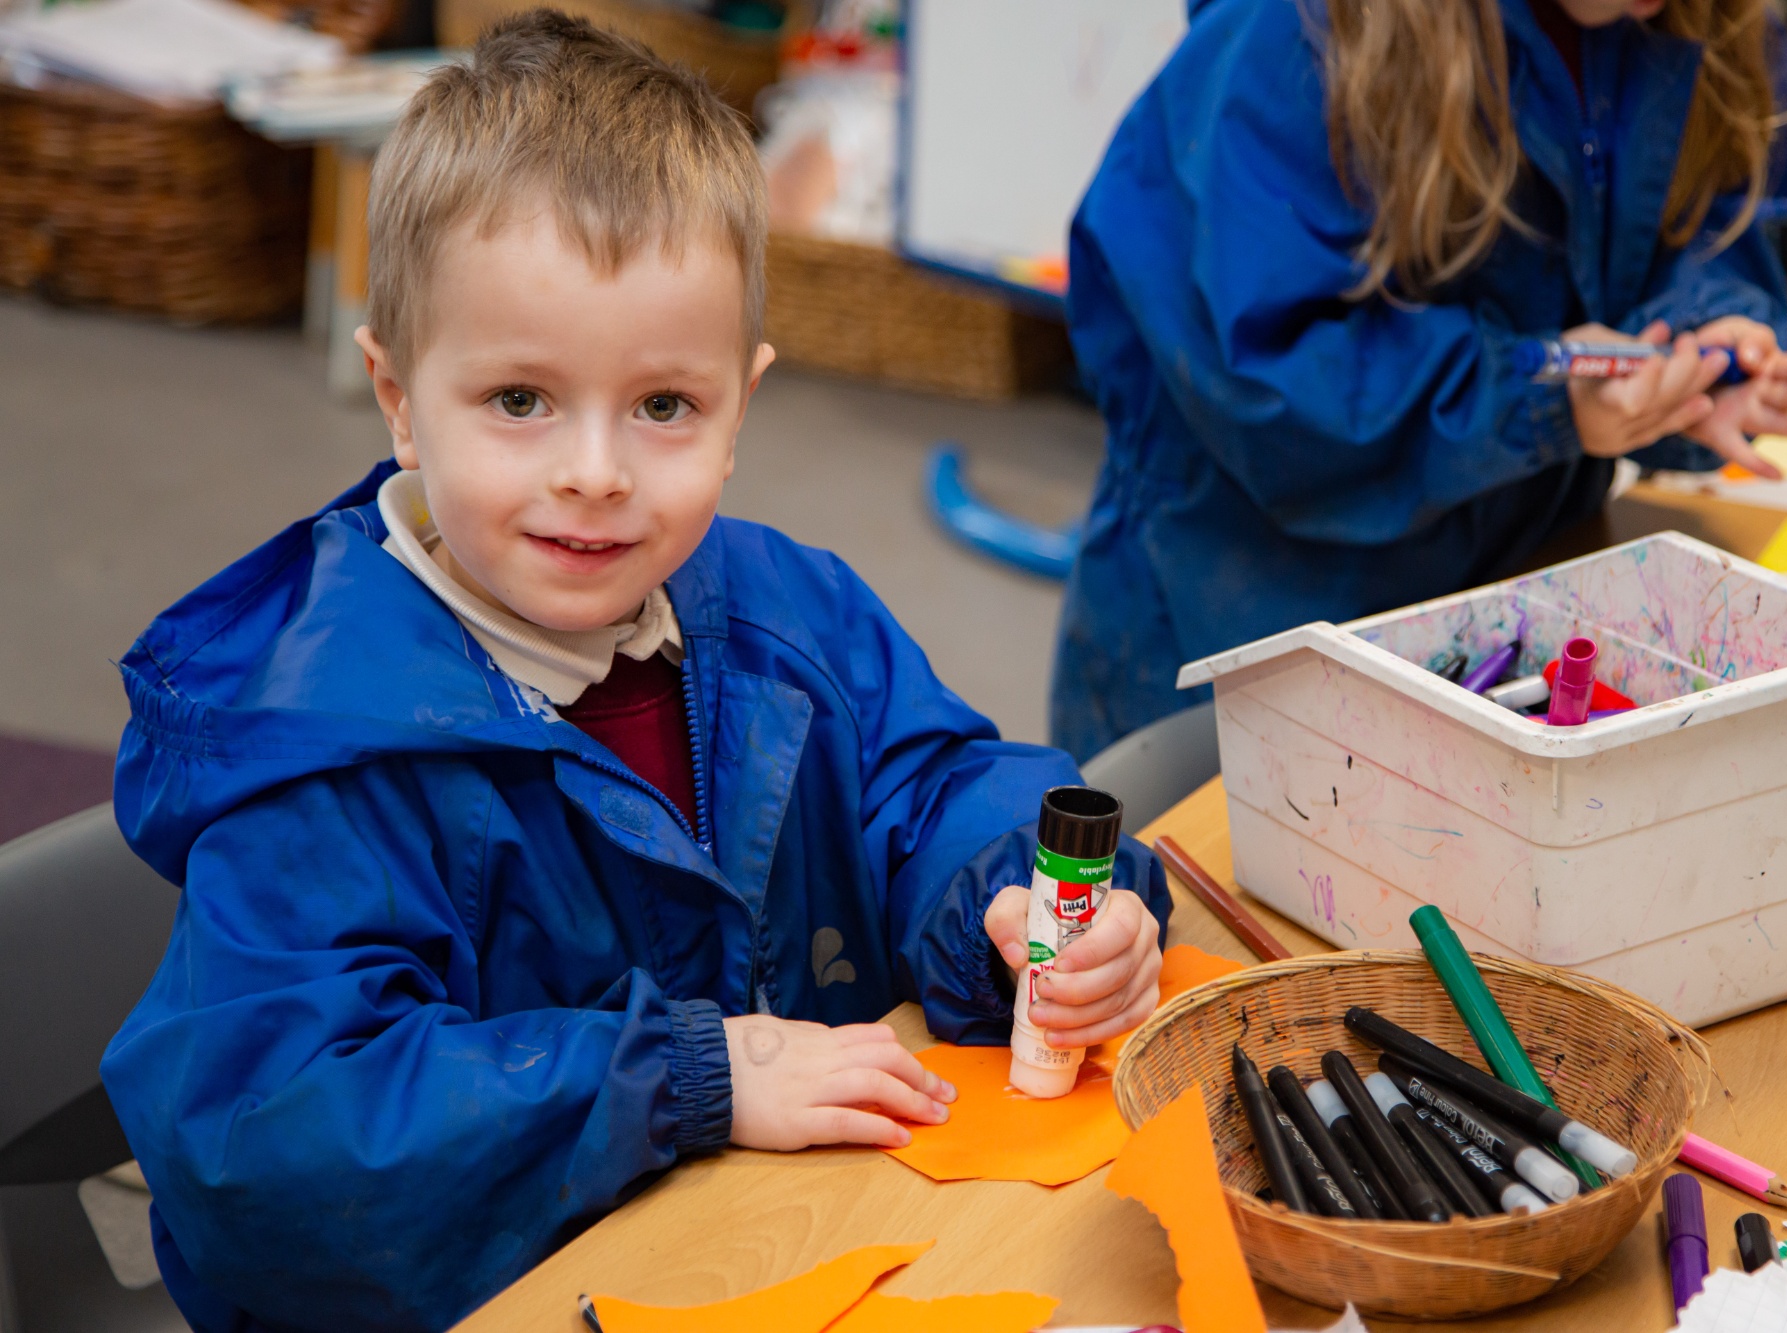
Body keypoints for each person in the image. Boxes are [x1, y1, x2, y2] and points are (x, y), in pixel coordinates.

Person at [100, 15, 1169, 1331]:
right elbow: (267, 1142)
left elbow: (938, 779)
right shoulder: (327, 750)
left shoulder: (790, 613)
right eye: (519, 402)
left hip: (783, 1255)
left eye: (665, 406)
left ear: (741, 401)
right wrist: (690, 1077)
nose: (596, 473)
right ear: (395, 393)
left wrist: (1026, 907)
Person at [1051, 0, 1787, 761]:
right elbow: (1275, 383)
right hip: (1251, 621)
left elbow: (1702, 223)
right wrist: (1541, 405)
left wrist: (1705, 346)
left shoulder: (1695, 17)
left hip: (1508, 604)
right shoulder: (1285, 35)